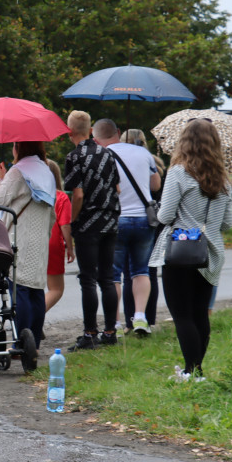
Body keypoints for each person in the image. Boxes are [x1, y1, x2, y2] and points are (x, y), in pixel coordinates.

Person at [148, 118, 232, 382]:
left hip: (181, 250)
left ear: (185, 141)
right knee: (200, 314)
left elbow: (165, 215)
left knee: (182, 315)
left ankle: (191, 372)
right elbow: (228, 223)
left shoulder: (178, 172)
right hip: (211, 253)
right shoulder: (224, 181)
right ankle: (196, 371)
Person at [94, 120, 160, 336]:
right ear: (118, 132)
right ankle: (140, 317)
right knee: (141, 271)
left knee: (114, 274)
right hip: (143, 220)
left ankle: (116, 322)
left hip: (117, 219)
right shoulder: (144, 154)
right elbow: (155, 185)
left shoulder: (103, 155)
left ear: (97, 137)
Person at [63, 110, 120, 351]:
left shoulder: (74, 157)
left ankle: (89, 333)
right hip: (110, 221)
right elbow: (117, 188)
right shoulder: (108, 154)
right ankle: (110, 331)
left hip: (88, 223)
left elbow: (77, 194)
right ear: (89, 130)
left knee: (88, 279)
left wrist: (73, 220)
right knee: (107, 278)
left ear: (70, 132)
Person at [0, 141, 55, 351]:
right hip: (39, 238)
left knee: (20, 289)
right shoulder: (46, 171)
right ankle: (32, 345)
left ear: (18, 148)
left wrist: (0, 179)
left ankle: (21, 344)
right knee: (36, 290)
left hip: (19, 236)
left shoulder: (18, 172)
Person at [44, 159, 74, 312]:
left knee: (33, 289)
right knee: (56, 289)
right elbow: (65, 225)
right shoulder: (61, 197)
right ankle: (34, 318)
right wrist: (70, 247)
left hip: (32, 241)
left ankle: (33, 321)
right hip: (53, 244)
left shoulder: (33, 194)